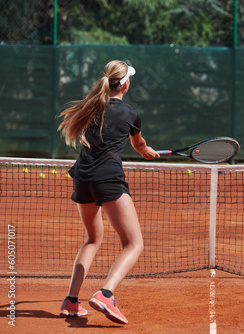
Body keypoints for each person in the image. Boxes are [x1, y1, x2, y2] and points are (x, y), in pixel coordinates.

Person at [58, 60, 160, 324]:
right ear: (125, 84)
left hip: (82, 178)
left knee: (92, 239)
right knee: (134, 244)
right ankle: (105, 294)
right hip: (108, 180)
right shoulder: (131, 113)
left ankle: (71, 301)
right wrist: (147, 151)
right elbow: (139, 145)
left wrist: (144, 150)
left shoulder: (90, 108)